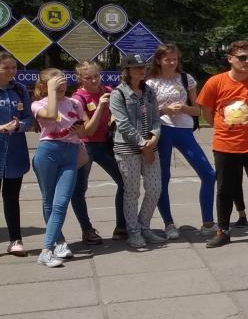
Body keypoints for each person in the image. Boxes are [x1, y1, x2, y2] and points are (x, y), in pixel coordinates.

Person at [196, 41, 248, 249]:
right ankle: (223, 231)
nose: (247, 61)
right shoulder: (215, 82)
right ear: (230, 59)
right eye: (242, 57)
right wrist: (222, 127)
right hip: (225, 146)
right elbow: (206, 112)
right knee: (224, 190)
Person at [146, 44, 215, 239]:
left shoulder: (186, 78)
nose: (172, 63)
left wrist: (183, 108)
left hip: (184, 130)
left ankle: (208, 223)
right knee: (163, 178)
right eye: (167, 59)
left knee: (208, 174)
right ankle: (169, 224)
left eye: (175, 59)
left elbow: (197, 111)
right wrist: (164, 110)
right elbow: (146, 112)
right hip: (162, 130)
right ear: (159, 60)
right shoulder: (150, 82)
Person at [109, 54, 164, 250]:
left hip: (150, 146)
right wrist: (143, 143)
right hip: (128, 149)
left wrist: (154, 137)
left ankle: (144, 226)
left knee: (155, 188)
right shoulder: (118, 93)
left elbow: (156, 118)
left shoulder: (149, 92)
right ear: (127, 71)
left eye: (144, 67)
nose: (142, 70)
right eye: (137, 68)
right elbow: (122, 124)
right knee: (132, 191)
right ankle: (133, 232)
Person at [30, 69, 84, 267]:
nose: (61, 86)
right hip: (48, 152)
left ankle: (49, 249)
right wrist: (51, 91)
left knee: (61, 203)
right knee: (49, 201)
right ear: (44, 86)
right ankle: (56, 244)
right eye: (55, 83)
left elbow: (84, 132)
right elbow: (51, 116)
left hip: (70, 153)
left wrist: (78, 129)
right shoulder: (38, 104)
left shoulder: (75, 103)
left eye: (63, 81)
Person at [71, 61, 127, 244]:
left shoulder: (108, 90)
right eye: (88, 78)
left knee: (125, 182)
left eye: (96, 76)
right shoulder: (78, 98)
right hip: (85, 146)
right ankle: (87, 230)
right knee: (79, 190)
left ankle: (121, 226)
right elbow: (88, 130)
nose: (94, 80)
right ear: (79, 78)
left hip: (104, 145)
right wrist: (101, 107)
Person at [1, 52, 35, 257]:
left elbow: (29, 117)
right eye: (6, 68)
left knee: (12, 198)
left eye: (14, 67)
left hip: (14, 153)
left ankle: (15, 240)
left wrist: (18, 125)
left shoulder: (20, 89)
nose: (11, 71)